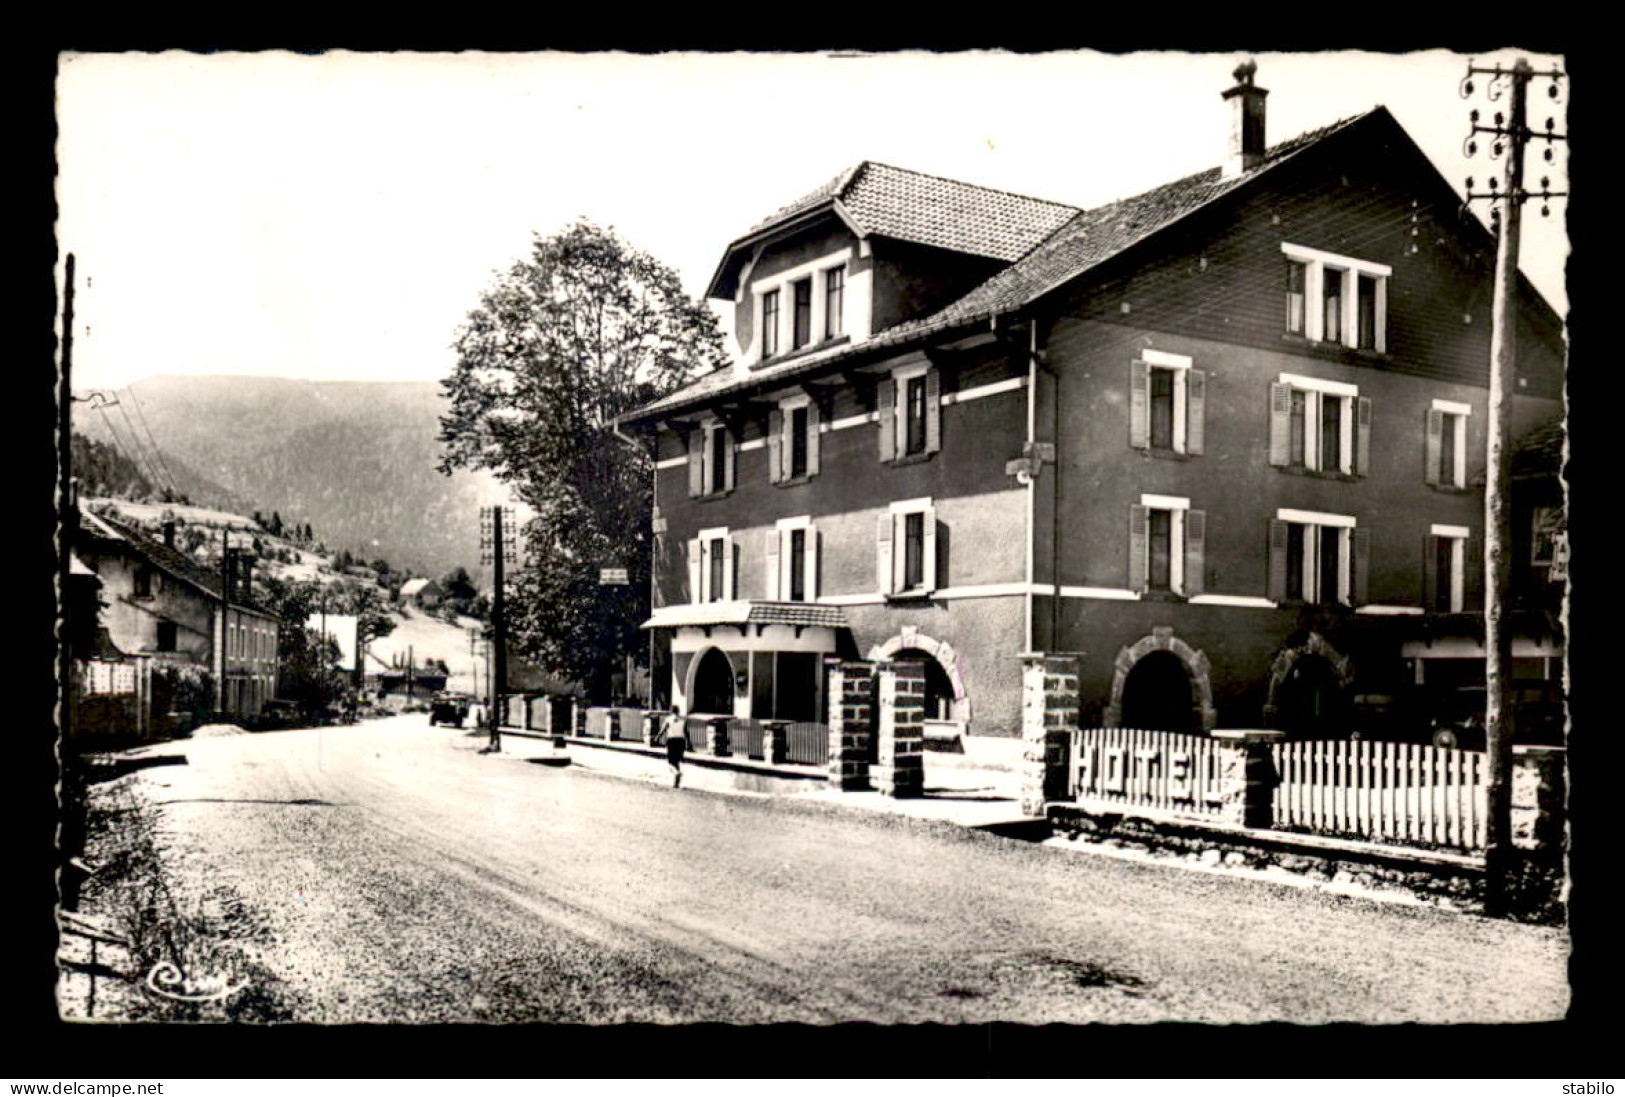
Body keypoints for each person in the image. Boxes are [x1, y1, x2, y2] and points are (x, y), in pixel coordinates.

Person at [665, 706, 686, 788]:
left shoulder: (669, 719)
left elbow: (663, 729)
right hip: (681, 741)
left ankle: (676, 773)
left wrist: (657, 737)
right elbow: (685, 732)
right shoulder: (682, 720)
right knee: (676, 761)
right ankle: (676, 783)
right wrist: (689, 743)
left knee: (670, 762)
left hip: (671, 740)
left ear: (671, 711)